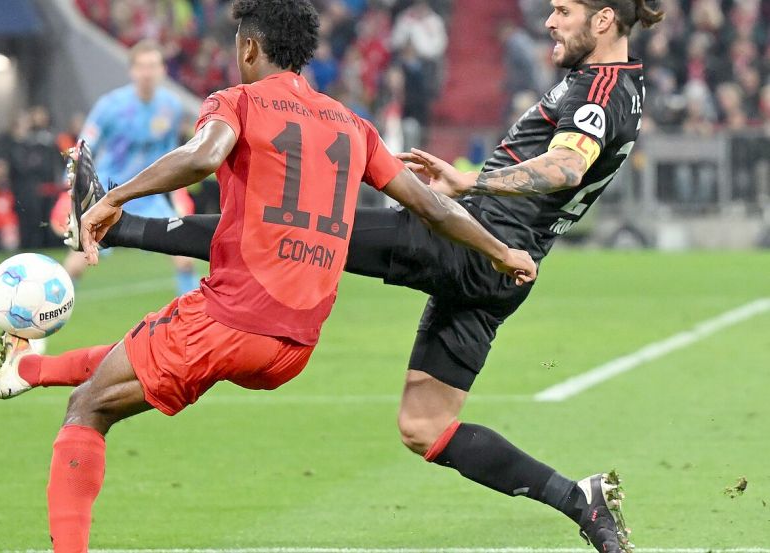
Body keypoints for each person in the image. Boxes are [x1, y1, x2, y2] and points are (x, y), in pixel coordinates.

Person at [50, 1, 665, 552]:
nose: (550, 21)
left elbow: (564, 166)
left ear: (604, 18)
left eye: (562, 9)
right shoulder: (618, 88)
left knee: (299, 225)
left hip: (477, 243)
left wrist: (469, 179)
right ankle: (577, 499)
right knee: (424, 428)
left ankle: (119, 221)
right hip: (503, 271)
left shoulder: (602, 87)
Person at [61, 40, 200, 296]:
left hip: (148, 194)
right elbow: (84, 145)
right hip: (109, 195)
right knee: (77, 263)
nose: (147, 72)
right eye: (142, 66)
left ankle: (193, 321)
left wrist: (177, 193)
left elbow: (171, 154)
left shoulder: (171, 106)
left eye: (153, 66)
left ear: (162, 70)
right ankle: (47, 314)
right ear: (132, 71)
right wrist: (72, 189)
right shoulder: (110, 106)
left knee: (185, 258)